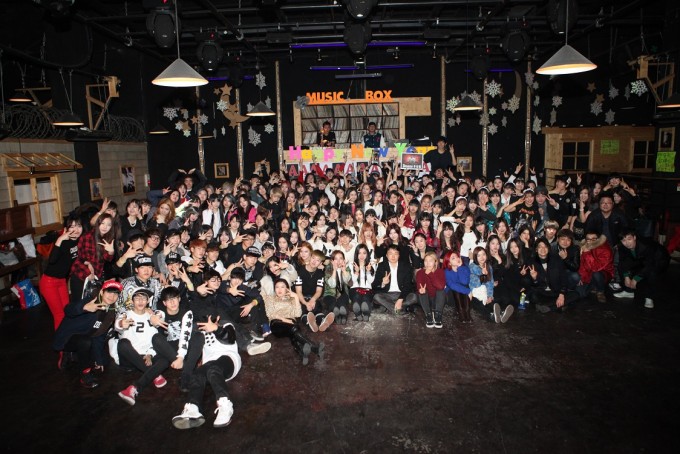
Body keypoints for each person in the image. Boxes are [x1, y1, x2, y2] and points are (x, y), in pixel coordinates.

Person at [53, 279, 122, 388]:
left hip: (87, 337)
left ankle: (73, 354)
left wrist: (99, 359)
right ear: (101, 292)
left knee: (104, 360)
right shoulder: (90, 301)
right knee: (85, 342)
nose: (112, 296)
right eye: (109, 292)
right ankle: (85, 374)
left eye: (115, 294)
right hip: (67, 337)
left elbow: (99, 335)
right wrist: (84, 308)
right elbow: (68, 310)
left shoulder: (110, 312)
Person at [114, 287, 170, 403]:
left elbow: (154, 336)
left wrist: (149, 354)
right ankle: (154, 374)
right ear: (132, 301)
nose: (140, 301)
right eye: (137, 298)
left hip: (145, 356)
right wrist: (121, 323)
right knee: (123, 343)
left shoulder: (151, 316)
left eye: (144, 298)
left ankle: (134, 388)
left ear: (148, 301)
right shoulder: (126, 314)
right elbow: (118, 324)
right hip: (129, 357)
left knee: (165, 359)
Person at [264, 278, 324, 365]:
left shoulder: (291, 299)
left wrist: (296, 297)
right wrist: (285, 320)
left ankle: (302, 354)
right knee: (295, 329)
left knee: (294, 334)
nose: (279, 289)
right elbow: (270, 313)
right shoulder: (270, 298)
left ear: (287, 289)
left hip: (291, 323)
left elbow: (298, 314)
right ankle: (315, 348)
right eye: (277, 287)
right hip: (277, 324)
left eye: (282, 287)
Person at [41, 215, 83, 330]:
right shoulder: (62, 242)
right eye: (72, 227)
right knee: (59, 314)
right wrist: (60, 239)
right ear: (66, 229)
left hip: (62, 281)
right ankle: (60, 341)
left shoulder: (79, 241)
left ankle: (66, 337)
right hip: (49, 282)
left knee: (67, 311)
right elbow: (52, 260)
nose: (76, 229)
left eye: (79, 226)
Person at [614, 228, 670, 308]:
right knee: (621, 266)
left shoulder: (646, 245)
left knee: (652, 273)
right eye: (624, 240)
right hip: (639, 257)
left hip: (659, 259)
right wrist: (626, 276)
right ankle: (629, 291)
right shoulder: (621, 246)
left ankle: (649, 297)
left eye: (629, 239)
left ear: (634, 237)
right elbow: (623, 261)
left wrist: (636, 278)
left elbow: (650, 264)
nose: (627, 243)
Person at [372, 244, 417, 315]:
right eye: (390, 253)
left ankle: (389, 306)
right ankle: (400, 309)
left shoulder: (406, 266)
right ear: (386, 255)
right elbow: (374, 284)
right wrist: (383, 283)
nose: (393, 256)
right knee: (376, 297)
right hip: (387, 294)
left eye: (396, 254)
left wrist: (400, 299)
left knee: (414, 297)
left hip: (401, 293)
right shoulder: (382, 266)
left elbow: (408, 285)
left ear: (399, 255)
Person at [578, 230, 614, 303]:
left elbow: (596, 268)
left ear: (598, 239)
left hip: (603, 273)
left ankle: (600, 291)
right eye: (588, 239)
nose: (590, 241)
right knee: (581, 293)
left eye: (593, 239)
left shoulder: (605, 249)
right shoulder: (584, 247)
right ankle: (593, 286)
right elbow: (582, 265)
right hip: (589, 274)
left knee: (596, 274)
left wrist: (587, 253)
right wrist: (581, 277)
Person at [415, 251, 447, 328]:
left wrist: (430, 274)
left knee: (441, 290)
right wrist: (421, 290)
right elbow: (420, 286)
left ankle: (438, 315)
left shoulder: (440, 271)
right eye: (426, 261)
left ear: (435, 262)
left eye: (430, 261)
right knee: (423, 292)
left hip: (438, 300)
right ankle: (428, 315)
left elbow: (440, 287)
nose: (428, 263)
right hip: (426, 300)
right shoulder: (420, 272)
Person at [323, 250, 353, 324]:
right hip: (330, 294)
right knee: (333, 304)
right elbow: (332, 284)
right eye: (336, 259)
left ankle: (343, 315)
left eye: (341, 258)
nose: (338, 261)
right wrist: (334, 271)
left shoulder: (346, 268)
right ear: (332, 261)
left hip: (343, 293)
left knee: (342, 302)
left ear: (344, 260)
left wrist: (344, 270)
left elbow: (348, 281)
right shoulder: (328, 269)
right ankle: (337, 316)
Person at [444, 250, 472, 323]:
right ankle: (461, 312)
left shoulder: (465, 268)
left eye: (457, 257)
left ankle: (467, 313)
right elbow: (452, 285)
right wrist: (468, 291)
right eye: (453, 258)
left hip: (464, 297)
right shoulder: (447, 272)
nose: (457, 259)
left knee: (464, 286)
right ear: (449, 263)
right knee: (456, 288)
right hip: (452, 297)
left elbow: (464, 282)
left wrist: (460, 268)